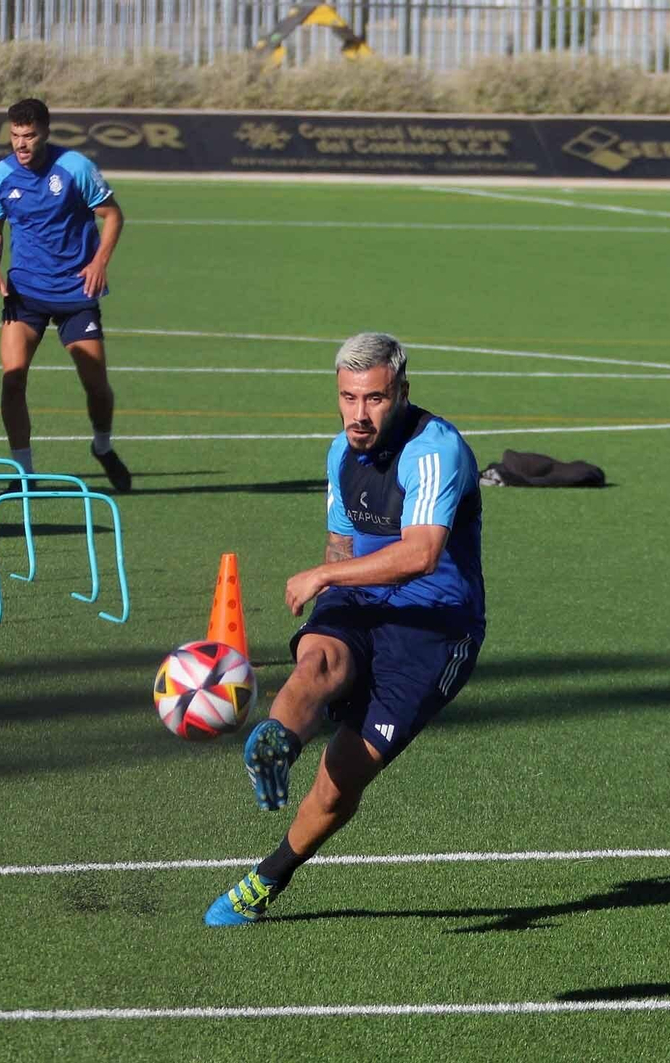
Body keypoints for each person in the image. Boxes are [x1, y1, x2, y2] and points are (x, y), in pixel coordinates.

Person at [203, 332, 486, 926]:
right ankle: (278, 742)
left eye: (374, 399)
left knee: (338, 783)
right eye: (349, 398)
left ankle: (266, 878)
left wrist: (324, 576)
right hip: (359, 600)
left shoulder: (434, 450)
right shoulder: (341, 452)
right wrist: (332, 592)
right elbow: (341, 540)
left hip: (433, 629)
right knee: (318, 661)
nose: (359, 414)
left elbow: (421, 555)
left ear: (401, 392)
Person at [0, 97, 131, 491]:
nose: (21, 144)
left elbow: (113, 215)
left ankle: (102, 445)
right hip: (25, 292)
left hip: (76, 291)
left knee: (96, 386)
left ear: (45, 132)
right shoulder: (0, 176)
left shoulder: (75, 168)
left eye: (29, 136)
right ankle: (23, 474)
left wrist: (99, 262)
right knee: (12, 380)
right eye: (15, 136)